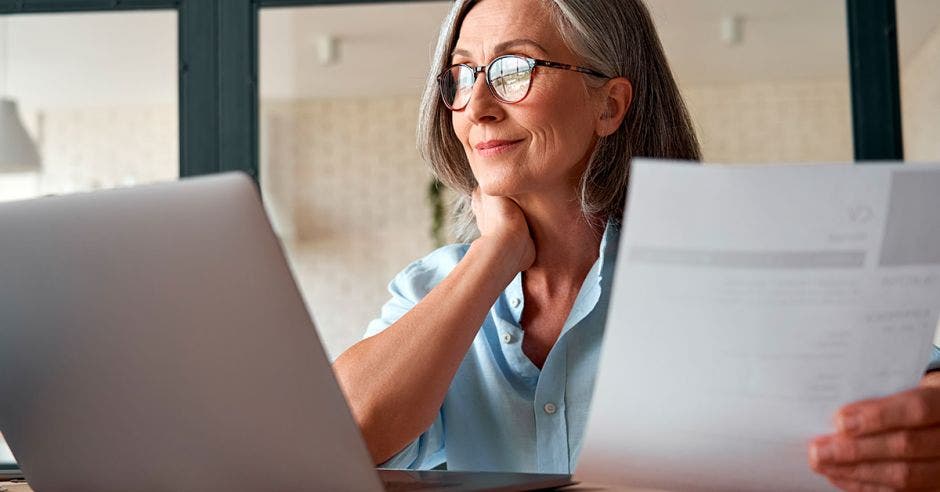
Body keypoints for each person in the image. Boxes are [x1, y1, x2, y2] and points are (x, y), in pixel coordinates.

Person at [332, 0, 940, 490]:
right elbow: (341, 436)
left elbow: (909, 388)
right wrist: (496, 254)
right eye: (461, 76)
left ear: (610, 104)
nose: (478, 107)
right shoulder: (428, 288)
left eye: (515, 69)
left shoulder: (721, 266)